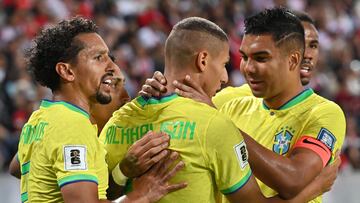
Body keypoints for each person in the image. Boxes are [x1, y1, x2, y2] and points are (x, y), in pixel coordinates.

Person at [100, 16, 335, 203]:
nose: (229, 75)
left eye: (260, 58)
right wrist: (312, 190)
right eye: (229, 62)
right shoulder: (218, 114)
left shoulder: (116, 122)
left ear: (292, 60)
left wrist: (122, 173)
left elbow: (97, 196)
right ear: (203, 60)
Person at [16, 17, 186, 203]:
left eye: (109, 58)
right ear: (67, 71)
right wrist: (140, 196)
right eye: (99, 58)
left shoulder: (40, 118)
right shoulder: (72, 125)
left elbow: (16, 167)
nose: (112, 67)